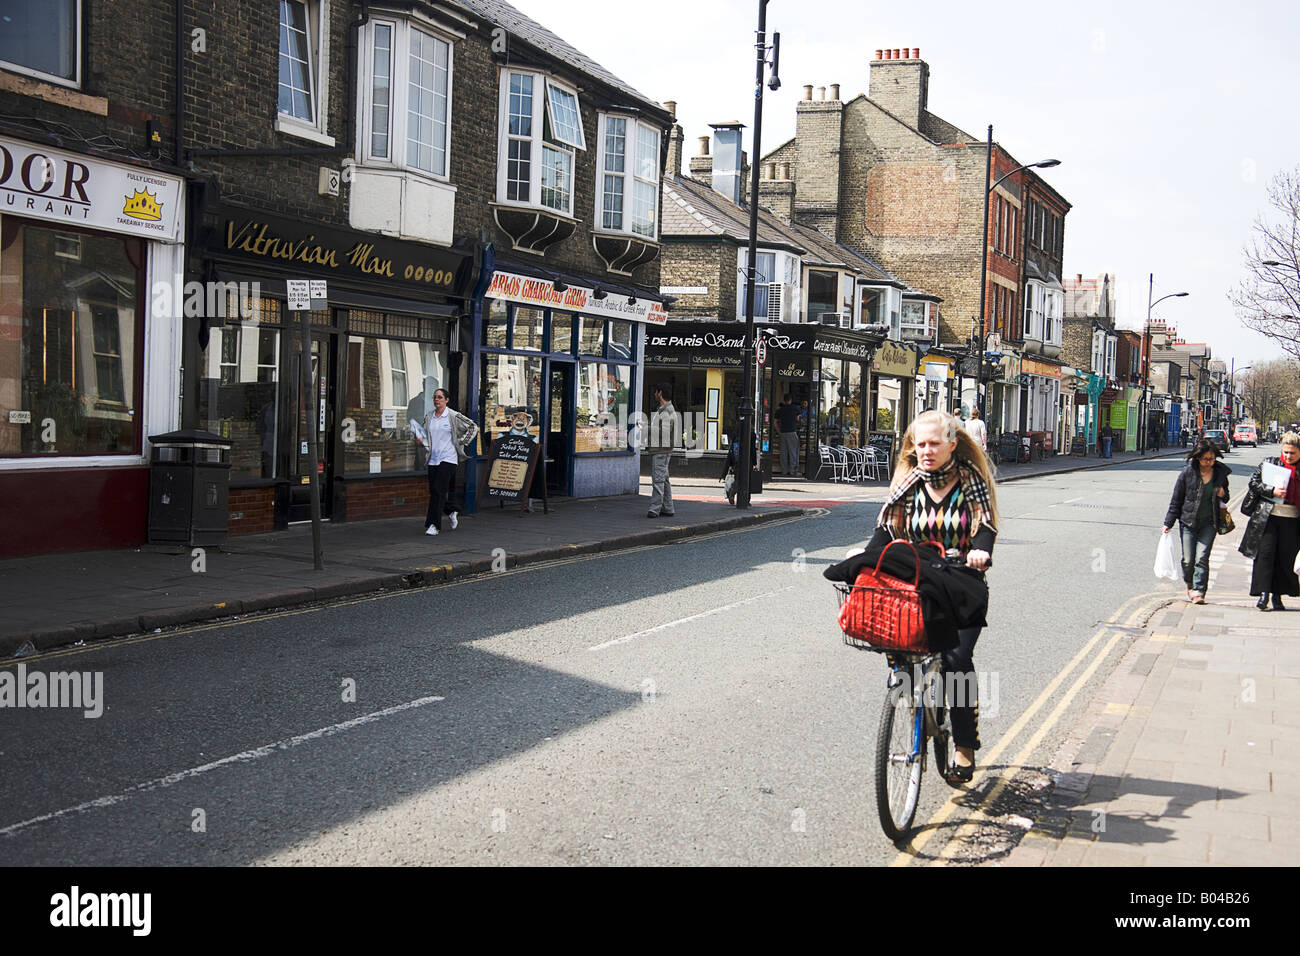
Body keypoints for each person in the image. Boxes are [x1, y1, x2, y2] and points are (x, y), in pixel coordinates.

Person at [864, 409, 999, 785]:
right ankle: (911, 700)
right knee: (897, 644)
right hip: (918, 584)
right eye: (919, 444)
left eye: (934, 443)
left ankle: (964, 746)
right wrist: (862, 559)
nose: (925, 450)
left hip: (960, 582)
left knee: (957, 659)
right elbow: (887, 531)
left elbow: (984, 525)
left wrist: (981, 551)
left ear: (952, 444)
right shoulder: (907, 483)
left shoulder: (969, 479)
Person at [1162, 439, 1231, 604]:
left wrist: (1223, 493)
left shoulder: (1220, 475)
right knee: (1188, 560)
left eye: (1212, 459)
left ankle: (1199, 590)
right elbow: (1176, 500)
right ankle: (1190, 584)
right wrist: (1168, 523)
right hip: (1188, 522)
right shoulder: (1187, 474)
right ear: (1197, 458)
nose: (1209, 462)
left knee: (1202, 557)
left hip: (1209, 522)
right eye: (1205, 459)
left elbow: (1226, 497)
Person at [1240, 432, 1300, 611]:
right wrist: (1271, 491)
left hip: (1293, 520)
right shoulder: (1270, 463)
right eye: (1286, 452)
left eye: (1293, 453)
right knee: (1265, 556)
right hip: (1268, 517)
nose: (1288, 456)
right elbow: (1254, 482)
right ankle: (1263, 594)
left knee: (1285, 559)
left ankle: (1277, 597)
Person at [418, 388, 478, 536]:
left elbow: (473, 427)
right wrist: (421, 439)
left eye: (439, 397)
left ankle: (434, 525)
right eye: (434, 397)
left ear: (446, 400)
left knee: (438, 491)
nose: (436, 400)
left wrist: (461, 442)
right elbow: (423, 433)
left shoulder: (452, 415)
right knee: (434, 491)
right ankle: (451, 510)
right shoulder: (429, 416)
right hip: (433, 459)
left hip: (449, 458)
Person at [645, 383, 679, 517]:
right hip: (663, 449)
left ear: (660, 393)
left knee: (658, 480)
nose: (654, 394)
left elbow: (663, 432)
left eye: (655, 392)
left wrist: (645, 427)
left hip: (661, 450)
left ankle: (654, 509)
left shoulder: (666, 411)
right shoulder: (665, 409)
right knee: (664, 479)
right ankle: (668, 507)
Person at [774, 394, 803, 476]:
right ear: (790, 400)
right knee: (793, 452)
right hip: (792, 432)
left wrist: (779, 431)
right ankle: (793, 471)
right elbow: (798, 419)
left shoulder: (780, 410)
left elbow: (775, 422)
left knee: (783, 452)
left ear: (784, 400)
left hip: (783, 433)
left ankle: (784, 471)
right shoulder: (795, 408)